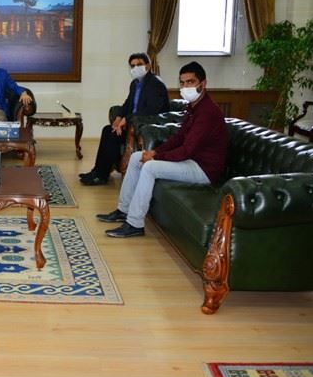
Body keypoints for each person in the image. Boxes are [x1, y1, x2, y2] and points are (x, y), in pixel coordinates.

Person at [97, 61, 228, 238]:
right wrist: (155, 152)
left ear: (203, 84)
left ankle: (134, 224)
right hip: (191, 161)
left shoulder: (207, 112)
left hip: (204, 170)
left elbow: (186, 150)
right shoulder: (193, 107)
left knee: (150, 167)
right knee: (136, 157)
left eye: (191, 82)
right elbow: (179, 138)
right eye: (182, 83)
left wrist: (156, 158)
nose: (186, 87)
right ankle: (124, 210)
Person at [80, 52, 169, 185]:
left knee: (113, 135)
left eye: (139, 64)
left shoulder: (155, 84)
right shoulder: (135, 83)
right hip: (133, 121)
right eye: (132, 66)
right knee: (108, 130)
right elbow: (127, 104)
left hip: (146, 125)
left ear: (148, 66)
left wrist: (127, 119)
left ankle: (101, 176)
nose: (135, 68)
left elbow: (151, 110)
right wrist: (118, 117)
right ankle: (97, 171)